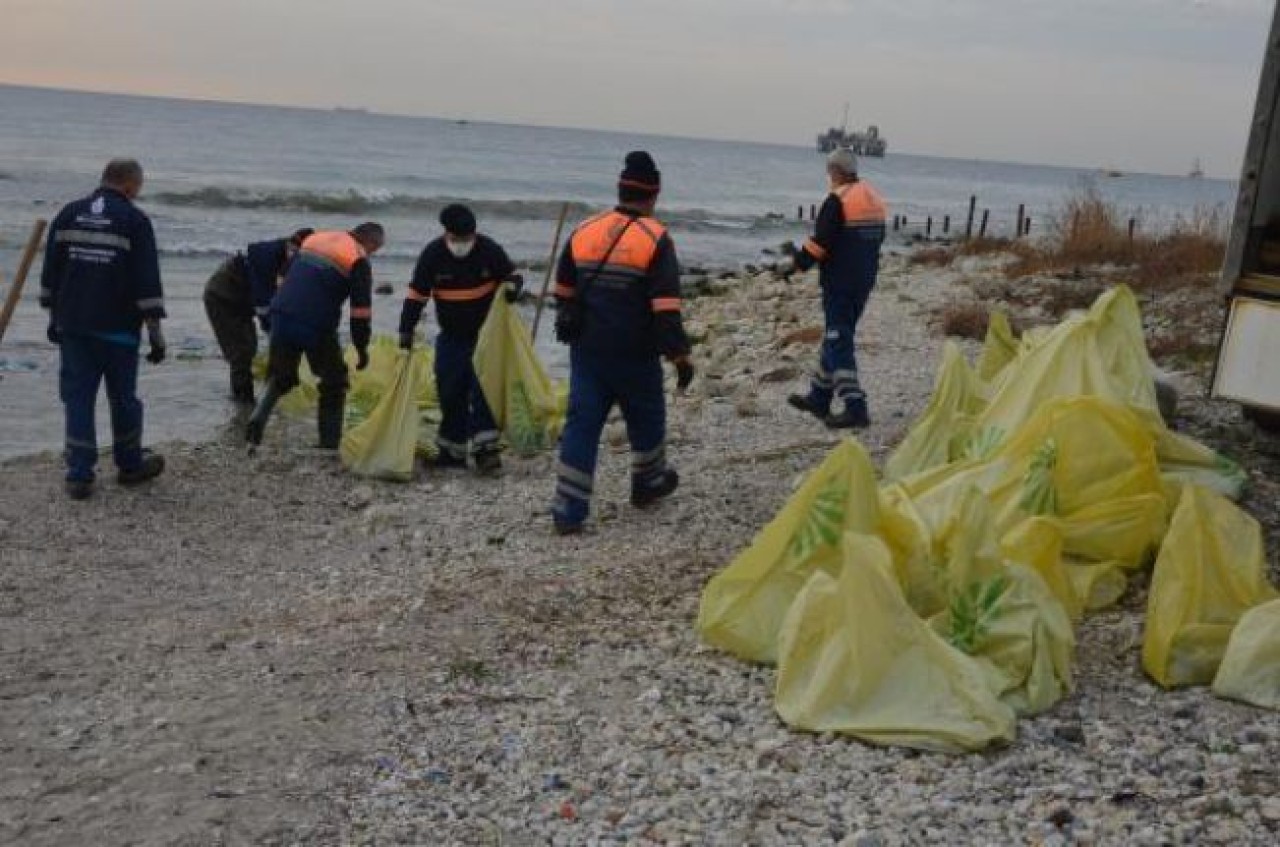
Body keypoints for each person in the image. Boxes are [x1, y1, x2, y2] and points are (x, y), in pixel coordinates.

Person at [550, 151, 694, 535]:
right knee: (646, 418)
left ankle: (568, 507)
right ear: (654, 194)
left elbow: (563, 290)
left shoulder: (584, 229)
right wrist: (680, 356)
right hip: (634, 351)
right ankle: (647, 484)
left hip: (588, 350)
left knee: (582, 424)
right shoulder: (656, 238)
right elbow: (665, 308)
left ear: (620, 189)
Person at [39, 158, 167, 500]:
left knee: (78, 399)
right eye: (138, 187)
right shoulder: (135, 221)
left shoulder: (68, 213)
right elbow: (146, 280)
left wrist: (53, 318)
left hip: (74, 325)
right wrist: (155, 333)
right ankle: (129, 465)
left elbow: (52, 270)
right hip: (118, 330)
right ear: (129, 185)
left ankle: (80, 475)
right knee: (123, 399)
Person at [398, 204, 523, 474]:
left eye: (468, 239)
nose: (463, 244)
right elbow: (417, 294)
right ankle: (451, 452)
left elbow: (512, 275)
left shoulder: (488, 249)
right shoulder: (433, 254)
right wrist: (405, 329)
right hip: (452, 337)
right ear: (447, 233)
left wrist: (513, 288)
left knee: (483, 392)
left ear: (474, 234)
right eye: (458, 239)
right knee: (449, 389)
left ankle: (487, 454)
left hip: (486, 337)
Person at [245, 222, 385, 449]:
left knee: (282, 376)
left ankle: (258, 416)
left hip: (280, 313)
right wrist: (361, 347)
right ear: (371, 242)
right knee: (334, 381)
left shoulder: (316, 239)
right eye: (375, 250)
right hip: (315, 323)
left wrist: (278, 306)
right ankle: (329, 444)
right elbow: (360, 311)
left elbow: (283, 274)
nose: (372, 254)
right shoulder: (358, 258)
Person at [785, 147, 887, 428]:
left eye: (829, 171)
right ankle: (819, 397)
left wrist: (796, 264)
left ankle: (856, 407)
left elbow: (820, 243)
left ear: (835, 172)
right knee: (837, 334)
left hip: (840, 282)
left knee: (837, 340)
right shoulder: (873, 197)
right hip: (864, 279)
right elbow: (879, 238)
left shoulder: (837, 200)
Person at [203, 228, 313, 403]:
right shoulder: (267, 258)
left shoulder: (297, 261)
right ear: (291, 245)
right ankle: (244, 402)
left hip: (244, 300)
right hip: (222, 296)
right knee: (241, 352)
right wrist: (275, 334)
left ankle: (256, 397)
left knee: (250, 347)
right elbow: (263, 304)